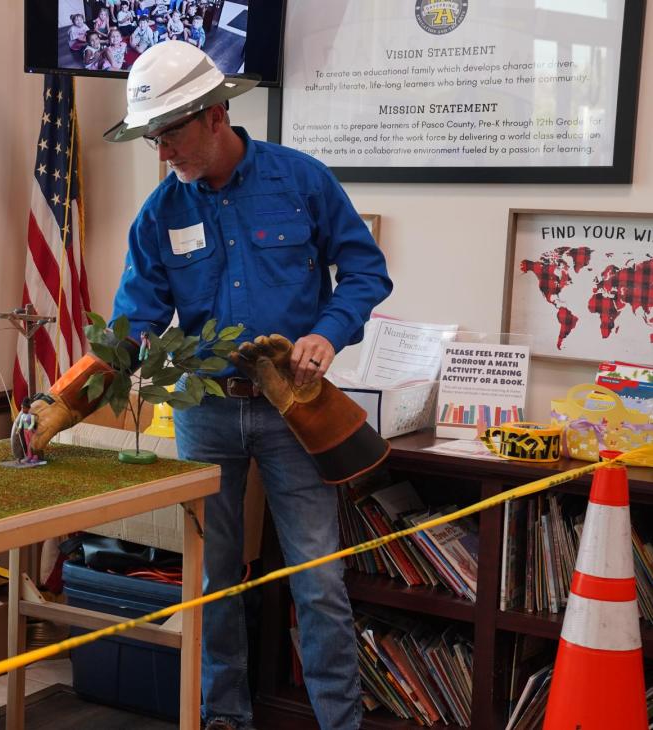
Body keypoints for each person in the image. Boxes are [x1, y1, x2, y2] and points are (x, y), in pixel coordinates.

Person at [23, 42, 392, 730]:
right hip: (206, 412)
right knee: (213, 579)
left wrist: (326, 334)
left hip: (294, 410)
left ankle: (340, 724)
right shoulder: (159, 215)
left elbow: (366, 273)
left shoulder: (302, 181)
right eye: (153, 137)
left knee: (317, 578)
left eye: (171, 133)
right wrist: (65, 399)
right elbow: (129, 329)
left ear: (216, 114)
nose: (163, 153)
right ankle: (222, 719)